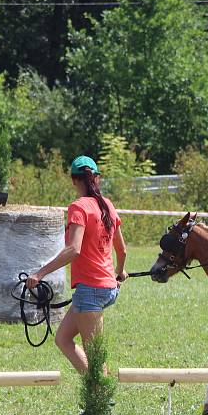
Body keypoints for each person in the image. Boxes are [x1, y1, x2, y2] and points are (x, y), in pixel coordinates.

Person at [25, 155, 127, 372]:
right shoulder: (108, 205)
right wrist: (118, 274)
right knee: (62, 339)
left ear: (74, 180)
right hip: (106, 289)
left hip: (91, 291)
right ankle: (93, 389)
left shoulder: (78, 207)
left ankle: (102, 402)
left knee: (96, 359)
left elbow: (74, 249)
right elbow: (122, 250)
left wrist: (39, 274)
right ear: (97, 179)